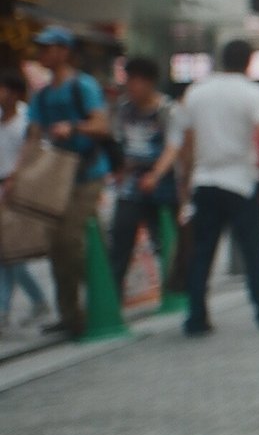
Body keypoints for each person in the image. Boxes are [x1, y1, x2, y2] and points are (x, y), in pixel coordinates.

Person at [178, 40, 259, 334]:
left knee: (202, 252)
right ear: (249, 62)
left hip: (205, 180)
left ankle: (196, 317)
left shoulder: (196, 93)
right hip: (241, 180)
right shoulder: (254, 93)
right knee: (254, 250)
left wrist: (186, 179)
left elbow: (186, 141)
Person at [25, 27, 112, 337]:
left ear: (63, 51)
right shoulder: (42, 95)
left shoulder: (83, 86)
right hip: (55, 179)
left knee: (73, 241)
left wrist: (73, 128)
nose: (41, 54)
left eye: (47, 48)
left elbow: (101, 125)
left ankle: (97, 306)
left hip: (87, 174)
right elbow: (33, 136)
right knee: (58, 245)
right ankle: (70, 313)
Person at [109, 57, 181, 298]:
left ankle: (176, 288)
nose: (131, 87)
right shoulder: (123, 109)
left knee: (165, 238)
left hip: (162, 183)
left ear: (149, 83)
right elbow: (119, 142)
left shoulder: (166, 109)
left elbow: (173, 147)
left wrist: (155, 175)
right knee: (121, 235)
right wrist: (120, 171)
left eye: (136, 81)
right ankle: (113, 294)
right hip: (131, 183)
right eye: (128, 81)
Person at [0, 67, 50, 333]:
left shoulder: (24, 122)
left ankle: (8, 309)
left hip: (15, 193)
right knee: (5, 255)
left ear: (15, 93)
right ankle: (26, 303)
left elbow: (32, 158)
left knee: (11, 254)